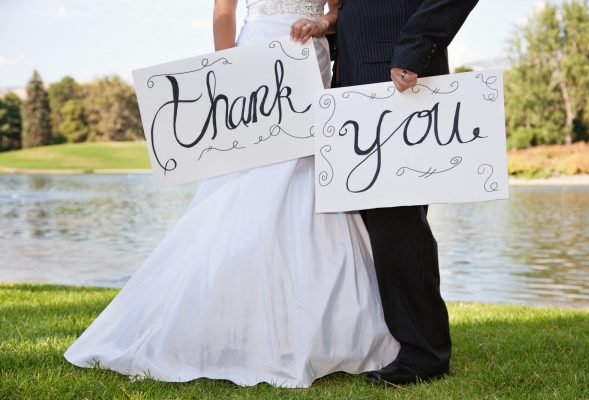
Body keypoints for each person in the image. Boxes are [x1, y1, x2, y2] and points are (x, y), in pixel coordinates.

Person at [63, 0, 399, 388]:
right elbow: (224, 11)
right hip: (253, 55)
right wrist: (226, 70)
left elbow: (339, 11)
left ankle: (330, 329)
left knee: (305, 171)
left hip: (308, 57)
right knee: (249, 178)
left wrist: (321, 23)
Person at [333, 0, 479, 386]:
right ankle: (397, 341)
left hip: (399, 71)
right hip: (354, 71)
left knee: (398, 221)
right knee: (376, 221)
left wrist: (415, 48)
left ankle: (425, 354)